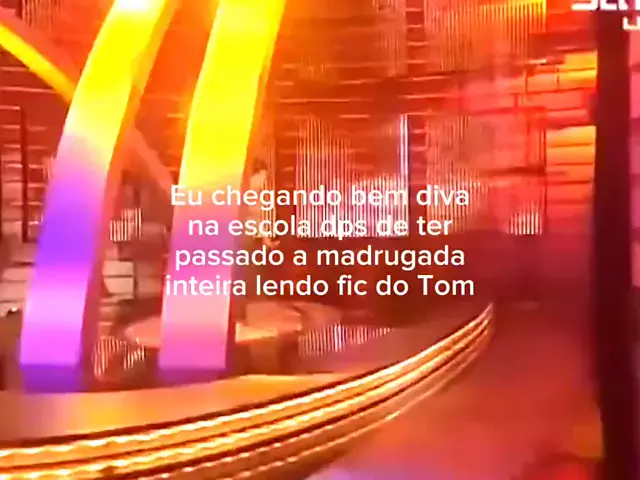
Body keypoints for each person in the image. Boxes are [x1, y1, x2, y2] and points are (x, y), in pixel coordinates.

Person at [230, 159, 278, 323]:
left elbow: (258, 221)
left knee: (247, 277)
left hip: (249, 240)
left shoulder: (257, 199)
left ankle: (242, 315)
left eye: (264, 178)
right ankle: (238, 316)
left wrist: (266, 240)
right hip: (240, 240)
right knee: (241, 278)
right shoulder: (242, 196)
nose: (263, 182)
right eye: (261, 178)